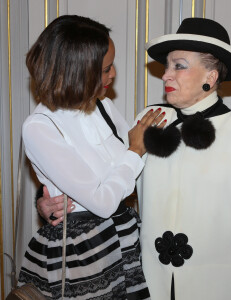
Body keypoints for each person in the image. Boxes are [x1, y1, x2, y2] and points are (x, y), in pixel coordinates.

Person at [37, 18, 231, 300]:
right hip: (148, 281)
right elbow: (103, 173)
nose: (166, 75)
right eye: (166, 66)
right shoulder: (148, 120)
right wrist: (54, 197)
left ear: (211, 75)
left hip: (220, 284)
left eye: (179, 66)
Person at [18, 14, 165, 299]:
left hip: (124, 239)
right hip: (84, 255)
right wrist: (135, 149)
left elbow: (136, 169)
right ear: (77, 71)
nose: (113, 75)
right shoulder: (39, 127)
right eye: (106, 69)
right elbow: (103, 201)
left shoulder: (104, 107)